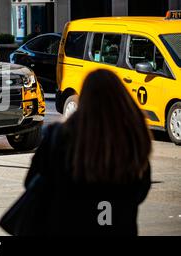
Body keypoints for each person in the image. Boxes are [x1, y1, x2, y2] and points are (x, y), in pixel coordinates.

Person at [25, 69, 152, 236]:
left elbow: (31, 183)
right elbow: (140, 191)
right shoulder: (132, 140)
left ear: (84, 99)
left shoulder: (60, 137)